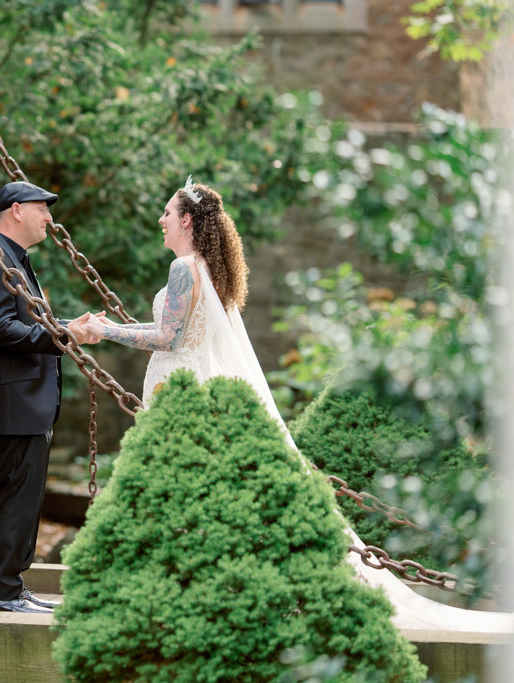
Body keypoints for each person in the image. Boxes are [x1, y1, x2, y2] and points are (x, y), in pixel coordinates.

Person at [81, 176, 513, 634]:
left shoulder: (185, 268)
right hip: (189, 384)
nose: (161, 220)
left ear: (186, 219)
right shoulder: (207, 268)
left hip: (182, 389)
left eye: (168, 212)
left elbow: (169, 337)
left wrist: (103, 331)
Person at [0, 180, 97, 614]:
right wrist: (63, 335)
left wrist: (63, 324)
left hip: (26, 406)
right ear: (17, 211)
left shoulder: (12, 259)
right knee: (15, 500)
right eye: (43, 209)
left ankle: (11, 587)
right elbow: (2, 329)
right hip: (15, 407)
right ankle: (0, 593)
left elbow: (22, 319)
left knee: (23, 499)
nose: (49, 218)